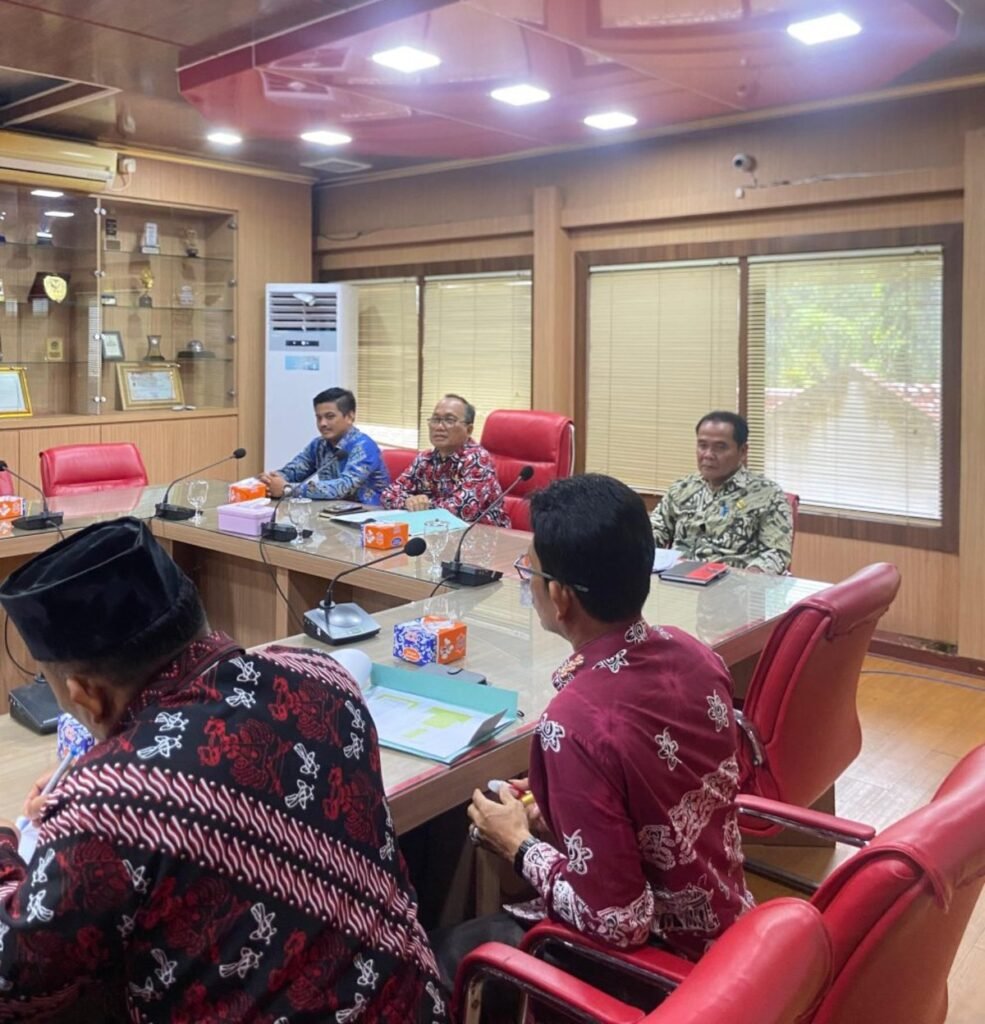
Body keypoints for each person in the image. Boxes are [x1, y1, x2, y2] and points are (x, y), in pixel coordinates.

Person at [0, 518, 445, 1023]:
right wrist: (98, 779)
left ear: (84, 695)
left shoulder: (106, 802)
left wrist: (10, 844)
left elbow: (15, 978)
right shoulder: (324, 676)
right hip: (415, 1005)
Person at [446, 474, 752, 985]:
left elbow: (619, 922)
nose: (529, 583)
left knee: (446, 953)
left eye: (531, 573)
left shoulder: (573, 724)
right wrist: (565, 810)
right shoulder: (696, 654)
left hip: (668, 969)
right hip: (730, 928)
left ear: (561, 598)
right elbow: (661, 792)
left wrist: (519, 844)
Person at [650, 411, 792, 573]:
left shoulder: (767, 494)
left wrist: (751, 577)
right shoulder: (681, 488)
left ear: (743, 451)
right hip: (676, 582)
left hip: (734, 586)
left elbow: (777, 553)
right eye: (702, 446)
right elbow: (654, 530)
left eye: (720, 447)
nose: (708, 455)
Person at [379, 394, 509, 527]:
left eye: (449, 420)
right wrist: (409, 502)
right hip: (436, 533)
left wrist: (424, 505)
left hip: (483, 537)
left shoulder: (478, 459)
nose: (439, 427)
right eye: (435, 419)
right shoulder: (425, 459)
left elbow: (461, 511)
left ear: (468, 430)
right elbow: (388, 494)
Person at [260, 386, 390, 503]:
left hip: (369, 516)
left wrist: (288, 489)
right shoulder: (319, 444)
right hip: (331, 512)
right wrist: (270, 481)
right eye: (318, 417)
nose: (323, 423)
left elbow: (343, 487)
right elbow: (295, 471)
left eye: (330, 417)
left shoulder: (364, 446)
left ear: (350, 417)